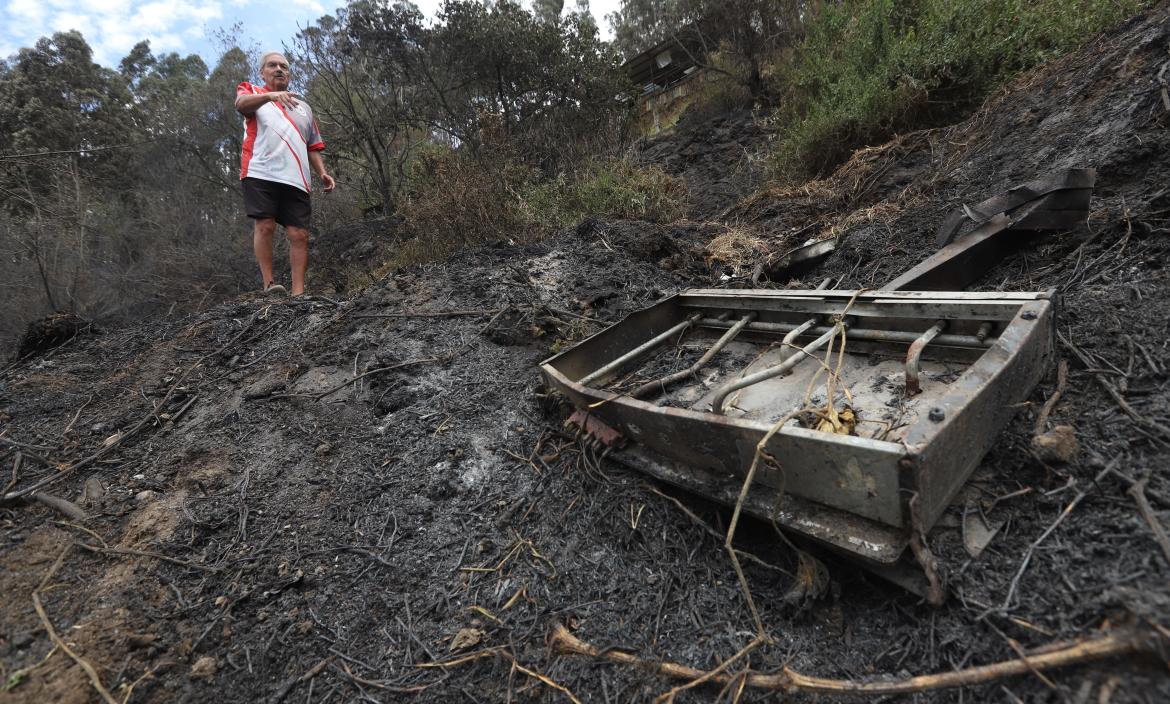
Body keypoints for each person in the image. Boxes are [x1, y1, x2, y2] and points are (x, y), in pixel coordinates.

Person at [235, 51, 335, 297]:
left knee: (299, 234)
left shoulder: (304, 108)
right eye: (272, 65)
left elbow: (313, 145)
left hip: (297, 177)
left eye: (284, 66)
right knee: (265, 225)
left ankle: (298, 293)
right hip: (261, 171)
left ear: (289, 73)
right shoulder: (252, 92)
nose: (279, 69)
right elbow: (240, 105)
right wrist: (270, 96)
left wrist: (322, 172)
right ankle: (270, 285)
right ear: (262, 72)